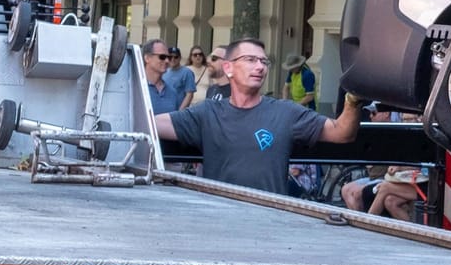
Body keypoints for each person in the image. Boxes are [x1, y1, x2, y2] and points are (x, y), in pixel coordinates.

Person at [153, 37, 360, 195]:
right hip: (219, 226)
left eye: (263, 61)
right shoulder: (207, 113)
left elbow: (342, 132)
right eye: (250, 60)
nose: (260, 67)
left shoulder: (286, 112)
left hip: (268, 226)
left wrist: (354, 97)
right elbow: (150, 123)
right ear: (229, 67)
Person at [141, 39, 181, 118]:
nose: (167, 61)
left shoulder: (172, 92)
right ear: (147, 58)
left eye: (168, 57)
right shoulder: (136, 88)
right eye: (162, 57)